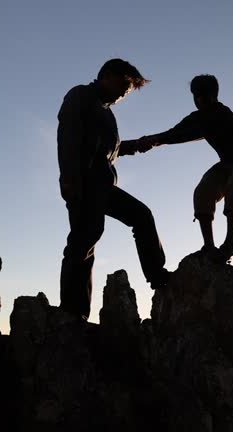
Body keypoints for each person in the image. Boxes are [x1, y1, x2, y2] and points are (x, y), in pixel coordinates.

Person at [57, 58, 169, 319]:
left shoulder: (105, 111)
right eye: (125, 85)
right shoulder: (81, 96)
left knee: (138, 218)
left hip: (102, 185)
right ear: (107, 76)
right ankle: (73, 314)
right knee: (83, 242)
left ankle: (157, 276)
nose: (125, 93)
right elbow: (68, 138)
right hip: (84, 184)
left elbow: (107, 150)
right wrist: (69, 180)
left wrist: (134, 145)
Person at [131, 74, 233, 263]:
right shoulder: (197, 117)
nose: (199, 100)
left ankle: (228, 246)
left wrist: (156, 140)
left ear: (215, 94)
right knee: (202, 192)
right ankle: (208, 246)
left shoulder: (221, 113)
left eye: (204, 96)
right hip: (225, 164)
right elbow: (173, 132)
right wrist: (151, 139)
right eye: (196, 96)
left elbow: (190, 133)